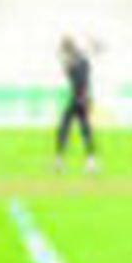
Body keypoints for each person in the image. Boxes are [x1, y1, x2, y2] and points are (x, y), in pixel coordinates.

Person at [55, 34, 99, 168]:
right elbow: (80, 73)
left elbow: (72, 74)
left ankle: (60, 160)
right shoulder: (81, 60)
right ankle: (90, 160)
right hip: (83, 98)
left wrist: (69, 63)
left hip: (78, 98)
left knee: (65, 126)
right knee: (85, 129)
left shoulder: (74, 62)